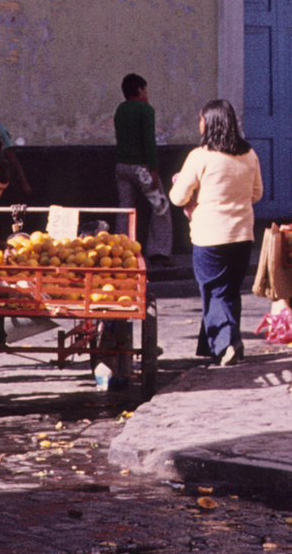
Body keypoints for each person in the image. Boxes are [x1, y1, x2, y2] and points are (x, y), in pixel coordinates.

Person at [169, 99, 263, 367]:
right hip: (242, 234)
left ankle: (224, 345)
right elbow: (257, 193)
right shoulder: (249, 154)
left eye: (201, 119)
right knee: (230, 291)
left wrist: (184, 187)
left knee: (213, 291)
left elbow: (177, 197)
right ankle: (229, 342)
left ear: (209, 123)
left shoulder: (201, 156)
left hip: (210, 235)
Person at [113, 73, 174, 266]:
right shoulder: (145, 110)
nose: (147, 93)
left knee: (125, 209)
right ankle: (159, 251)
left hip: (122, 166)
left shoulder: (120, 110)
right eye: (145, 89)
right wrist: (154, 169)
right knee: (160, 207)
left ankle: (120, 251)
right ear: (140, 90)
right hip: (142, 168)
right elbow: (149, 141)